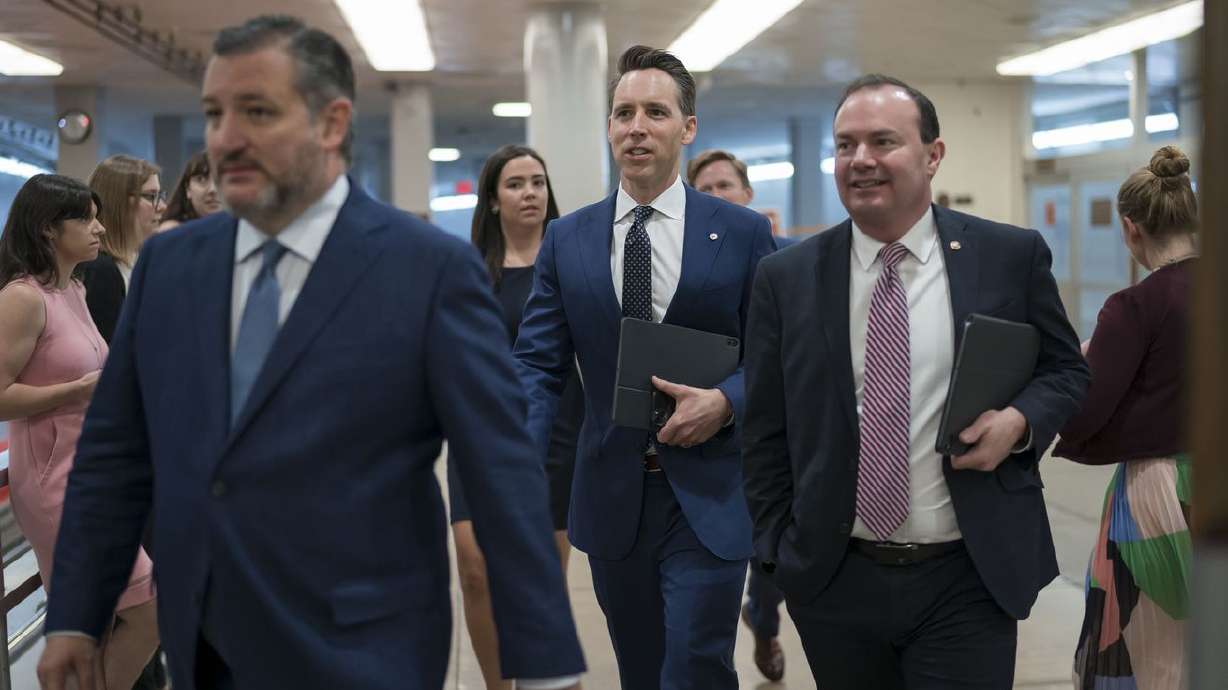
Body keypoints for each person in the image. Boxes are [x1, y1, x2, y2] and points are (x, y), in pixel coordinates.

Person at [36, 15, 583, 690]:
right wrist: (74, 615)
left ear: (331, 123)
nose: (225, 138)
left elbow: (501, 468)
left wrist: (547, 664)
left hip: (363, 642)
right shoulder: (171, 266)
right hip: (206, 638)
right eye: (214, 113)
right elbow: (117, 454)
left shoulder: (425, 269)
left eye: (257, 111)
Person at [741, 74, 1090, 689]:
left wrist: (1019, 423)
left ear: (933, 155)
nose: (861, 160)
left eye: (883, 142)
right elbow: (766, 427)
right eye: (845, 145)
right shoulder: (786, 278)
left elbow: (1064, 370)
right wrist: (779, 548)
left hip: (967, 574)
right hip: (834, 579)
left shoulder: (1007, 257)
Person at [515, 45, 775, 690]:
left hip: (710, 492)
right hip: (612, 493)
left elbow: (776, 354)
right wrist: (514, 457)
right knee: (641, 667)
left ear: (687, 128)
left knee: (694, 662)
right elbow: (538, 365)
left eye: (655, 112)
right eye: (623, 112)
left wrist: (727, 401)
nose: (637, 127)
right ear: (609, 127)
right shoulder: (567, 238)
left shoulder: (740, 233)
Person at [0, 174, 160, 690]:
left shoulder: (73, 288)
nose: (98, 228)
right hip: (53, 484)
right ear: (49, 229)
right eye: (86, 219)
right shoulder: (22, 299)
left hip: (90, 475)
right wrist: (74, 392)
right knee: (150, 607)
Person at [1054, 145, 1198, 690]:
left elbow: (1085, 415)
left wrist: (1083, 364)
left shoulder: (1135, 306)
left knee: (1150, 652)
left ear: (1130, 228)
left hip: (1159, 493)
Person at [450, 143, 584, 690]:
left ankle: (542, 678)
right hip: (479, 436)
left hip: (555, 437)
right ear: (493, 198)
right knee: (476, 569)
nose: (529, 193)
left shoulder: (570, 264)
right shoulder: (468, 271)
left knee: (539, 578)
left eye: (537, 182)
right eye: (515, 183)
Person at [686, 147, 788, 682]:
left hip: (778, 433)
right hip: (713, 432)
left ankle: (765, 620)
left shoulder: (789, 259)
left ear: (748, 196)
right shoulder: (680, 276)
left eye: (726, 186)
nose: (717, 197)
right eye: (704, 190)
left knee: (770, 550)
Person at [78, 155, 163, 343]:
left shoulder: (136, 262)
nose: (162, 206)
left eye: (160, 196)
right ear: (119, 201)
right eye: (151, 197)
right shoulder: (101, 269)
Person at [159, 151, 222, 231]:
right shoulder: (173, 232)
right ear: (187, 189)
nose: (212, 189)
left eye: (219, 179)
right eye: (201, 179)